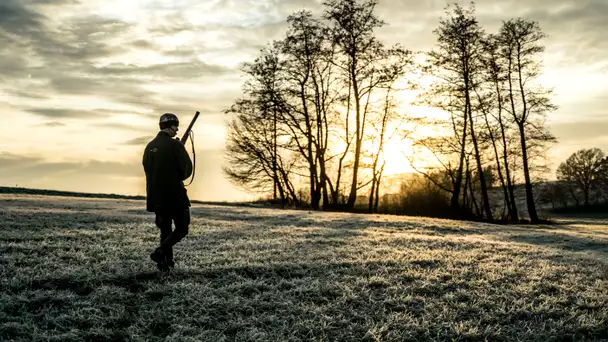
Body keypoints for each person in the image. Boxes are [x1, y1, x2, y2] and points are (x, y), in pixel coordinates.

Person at [142, 113, 193, 271]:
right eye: (175, 126)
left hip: (156, 196)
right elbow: (186, 171)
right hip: (174, 195)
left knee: (165, 229)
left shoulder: (149, 146)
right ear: (169, 126)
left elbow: (148, 169)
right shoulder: (175, 145)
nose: (177, 129)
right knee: (182, 228)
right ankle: (160, 252)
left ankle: (165, 263)